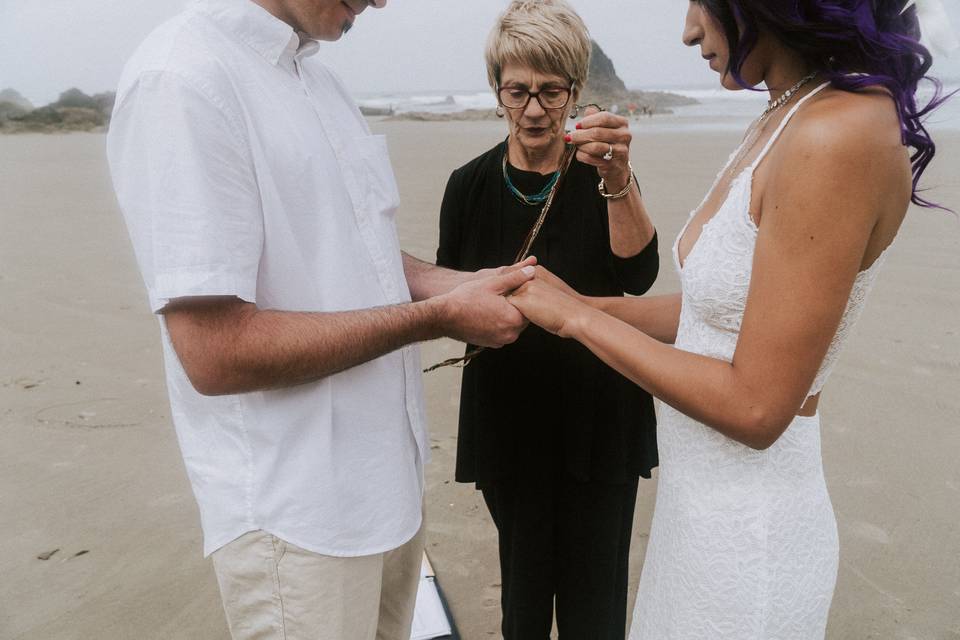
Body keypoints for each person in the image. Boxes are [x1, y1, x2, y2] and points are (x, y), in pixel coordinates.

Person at [507, 0, 949, 637]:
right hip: (697, 520)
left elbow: (757, 408)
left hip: (749, 540)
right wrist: (577, 304)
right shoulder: (785, 112)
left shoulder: (836, 133)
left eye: (698, 3)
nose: (688, 30)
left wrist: (579, 325)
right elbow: (732, 310)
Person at [106, 1, 536, 639]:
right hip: (299, 518)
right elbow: (215, 351)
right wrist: (438, 316)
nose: (384, 0)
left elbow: (353, 250)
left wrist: (461, 285)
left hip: (388, 488)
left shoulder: (318, 78)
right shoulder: (184, 78)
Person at [434, 1, 658, 638]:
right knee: (523, 608)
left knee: (596, 611)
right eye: (517, 91)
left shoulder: (602, 173)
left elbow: (638, 275)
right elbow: (455, 297)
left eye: (550, 91)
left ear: (575, 90)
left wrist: (617, 177)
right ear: (497, 90)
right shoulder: (468, 185)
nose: (534, 109)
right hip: (512, 420)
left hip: (601, 418)